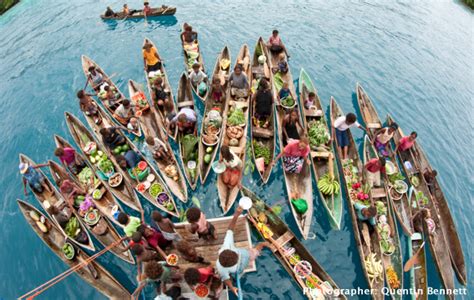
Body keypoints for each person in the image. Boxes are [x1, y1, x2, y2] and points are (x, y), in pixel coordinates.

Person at [216, 207, 270, 296]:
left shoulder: (227, 246)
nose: (238, 257)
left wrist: (236, 215)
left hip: (245, 254)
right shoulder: (221, 269)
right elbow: (225, 278)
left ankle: (262, 244)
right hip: (239, 269)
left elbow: (230, 230)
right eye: (236, 259)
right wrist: (232, 287)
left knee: (254, 252)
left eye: (236, 255)